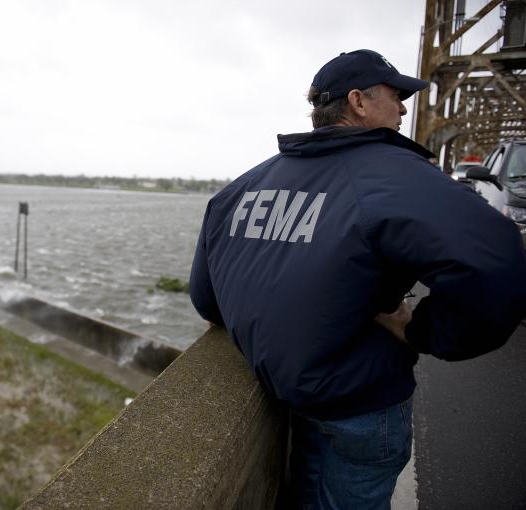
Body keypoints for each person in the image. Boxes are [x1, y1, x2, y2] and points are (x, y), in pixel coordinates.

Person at [189, 49, 526, 509]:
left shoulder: (240, 190)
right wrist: (421, 330)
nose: (405, 108)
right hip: (362, 404)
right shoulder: (394, 176)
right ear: (358, 102)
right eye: (396, 95)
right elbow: (498, 263)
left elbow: (208, 302)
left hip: (293, 396)